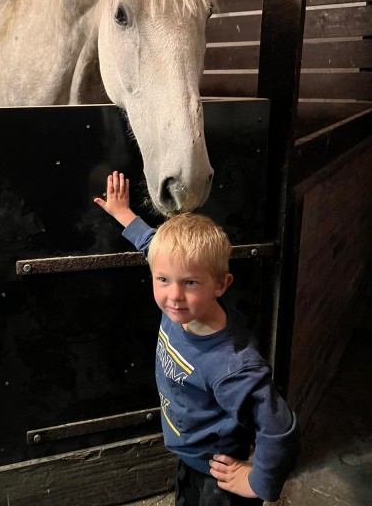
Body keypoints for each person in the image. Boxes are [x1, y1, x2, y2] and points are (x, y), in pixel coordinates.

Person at [94, 171, 300, 505]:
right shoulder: (182, 307)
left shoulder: (233, 367)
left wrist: (259, 482)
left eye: (190, 283)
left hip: (217, 478)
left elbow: (280, 429)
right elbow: (153, 247)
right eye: (162, 279)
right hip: (190, 456)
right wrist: (123, 214)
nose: (174, 295)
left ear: (222, 284)